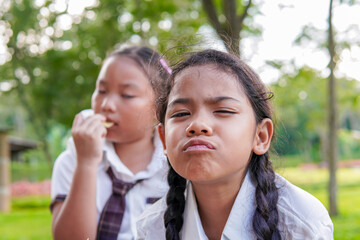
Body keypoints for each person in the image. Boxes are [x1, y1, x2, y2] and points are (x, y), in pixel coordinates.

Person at [136, 49, 334, 240]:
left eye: (223, 110)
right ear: (163, 138)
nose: (196, 125)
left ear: (261, 136)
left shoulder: (301, 223)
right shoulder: (151, 228)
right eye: (181, 114)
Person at [50, 46, 171, 240]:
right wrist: (86, 163)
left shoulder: (176, 165)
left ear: (160, 106)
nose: (106, 105)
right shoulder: (71, 161)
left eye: (127, 95)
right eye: (102, 90)